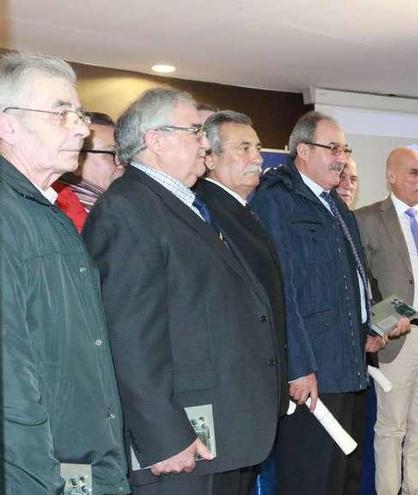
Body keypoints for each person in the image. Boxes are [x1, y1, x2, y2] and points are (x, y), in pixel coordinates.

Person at [84, 88, 283, 494]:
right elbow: (128, 337)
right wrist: (164, 436)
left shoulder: (182, 203)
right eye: (195, 131)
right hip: (182, 440)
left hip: (221, 430)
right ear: (155, 140)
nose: (205, 142)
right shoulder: (128, 209)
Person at [1, 51, 128, 495]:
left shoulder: (48, 208)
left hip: (84, 463)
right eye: (61, 113)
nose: (80, 126)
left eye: (76, 113)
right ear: (7, 125)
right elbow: (11, 379)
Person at [250, 111, 384, 495]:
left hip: (348, 363)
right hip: (313, 372)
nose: (341, 157)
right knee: (312, 477)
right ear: (303, 150)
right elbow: (280, 290)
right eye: (333, 148)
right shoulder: (277, 201)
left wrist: (366, 328)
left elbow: (348, 281)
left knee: (345, 473)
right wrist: (299, 366)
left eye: (345, 148)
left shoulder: (334, 203)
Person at [354, 147, 418, 495]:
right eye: (414, 172)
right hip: (395, 339)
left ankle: (417, 490)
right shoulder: (366, 218)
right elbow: (360, 280)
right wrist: (379, 323)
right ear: (391, 175)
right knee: (391, 428)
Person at [192, 109, 289, 425]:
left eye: (258, 148)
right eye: (243, 148)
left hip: (254, 383)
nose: (257, 158)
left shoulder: (242, 210)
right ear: (210, 159)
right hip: (231, 386)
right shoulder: (204, 212)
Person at [53, 111, 123, 231]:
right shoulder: (59, 218)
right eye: (114, 153)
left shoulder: (121, 208)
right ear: (78, 161)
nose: (123, 163)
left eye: (125, 154)